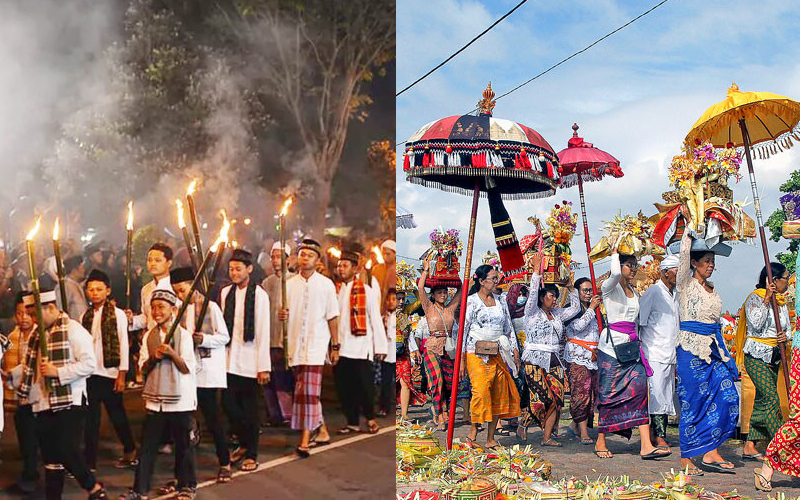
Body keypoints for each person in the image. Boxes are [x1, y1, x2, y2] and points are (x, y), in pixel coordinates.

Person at [18, 290, 109, 499]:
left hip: (70, 401)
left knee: (67, 450)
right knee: (51, 459)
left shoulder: (74, 330)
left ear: (51, 308)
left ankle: (93, 487)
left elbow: (89, 364)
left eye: (34, 315)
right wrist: (11, 376)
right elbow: (30, 366)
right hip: (43, 401)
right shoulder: (37, 335)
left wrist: (58, 372)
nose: (32, 320)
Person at [594, 236, 669, 461]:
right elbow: (615, 275)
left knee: (640, 390)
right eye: (629, 265)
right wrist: (614, 252)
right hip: (611, 349)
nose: (634, 269)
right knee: (608, 394)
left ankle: (646, 445)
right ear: (619, 265)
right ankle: (600, 441)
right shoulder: (609, 288)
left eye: (635, 265)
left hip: (632, 348)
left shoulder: (635, 293)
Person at [674, 219, 739, 474]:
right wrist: (691, 226)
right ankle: (687, 458)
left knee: (728, 396)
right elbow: (683, 255)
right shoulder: (685, 284)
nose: (711, 265)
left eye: (713, 261)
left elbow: (716, 325)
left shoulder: (713, 289)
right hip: (690, 350)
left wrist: (727, 356)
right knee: (693, 402)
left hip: (713, 350)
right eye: (706, 261)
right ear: (694, 263)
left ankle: (711, 450)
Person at [119, 289, 197, 500]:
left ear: (173, 310)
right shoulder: (148, 337)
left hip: (180, 400)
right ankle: (139, 489)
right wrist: (154, 357)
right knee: (147, 447)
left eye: (161, 307)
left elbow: (187, 368)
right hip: (155, 400)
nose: (156, 312)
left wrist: (172, 354)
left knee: (184, 445)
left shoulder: (184, 336)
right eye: (153, 308)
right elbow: (143, 367)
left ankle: (187, 486)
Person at [171, 266, 232, 483]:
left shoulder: (210, 307)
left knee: (212, 419)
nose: (180, 295)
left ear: (193, 286)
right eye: (176, 291)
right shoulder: (177, 310)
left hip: (206, 371)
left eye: (182, 290)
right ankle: (183, 473)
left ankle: (225, 462)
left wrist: (204, 340)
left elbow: (224, 337)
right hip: (187, 371)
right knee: (184, 421)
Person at [280, 239, 339, 457]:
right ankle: (322, 430)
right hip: (295, 346)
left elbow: (333, 316)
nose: (305, 258)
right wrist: (282, 315)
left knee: (308, 392)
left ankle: (305, 439)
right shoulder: (288, 284)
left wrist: (335, 345)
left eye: (310, 255)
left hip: (315, 346)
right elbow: (284, 314)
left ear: (317, 260)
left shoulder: (326, 285)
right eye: (302, 254)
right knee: (305, 391)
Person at [517, 260, 579, 446]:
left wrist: (571, 288)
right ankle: (523, 422)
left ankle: (547, 437)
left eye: (556, 296)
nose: (554, 299)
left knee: (557, 399)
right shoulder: (532, 312)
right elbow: (532, 293)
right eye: (551, 295)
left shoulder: (558, 314)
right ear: (542, 297)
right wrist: (537, 273)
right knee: (544, 398)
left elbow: (575, 308)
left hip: (554, 361)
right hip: (534, 361)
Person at [220, 248, 271, 471]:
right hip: (229, 359)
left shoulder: (259, 295)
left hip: (251, 361)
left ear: (249, 269)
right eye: (231, 269)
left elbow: (263, 331)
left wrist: (263, 367)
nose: (234, 273)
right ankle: (243, 442)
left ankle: (251, 453)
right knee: (228, 404)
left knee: (250, 409)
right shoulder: (225, 293)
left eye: (238, 269)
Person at [81, 269, 137, 470]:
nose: (94, 293)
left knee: (117, 415)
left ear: (108, 291)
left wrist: (122, 374)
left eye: (99, 289)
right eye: (91, 289)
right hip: (90, 373)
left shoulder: (118, 314)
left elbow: (123, 343)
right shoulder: (85, 316)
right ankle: (89, 462)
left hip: (110, 372)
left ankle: (130, 449)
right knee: (91, 419)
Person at [462, 264, 520, 449]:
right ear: (481, 281)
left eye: (497, 278)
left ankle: (490, 438)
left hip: (498, 352)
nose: (497, 281)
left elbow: (508, 327)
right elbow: (463, 330)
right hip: (475, 352)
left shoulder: (501, 301)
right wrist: (462, 359)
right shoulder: (471, 301)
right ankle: (473, 430)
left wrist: (515, 350)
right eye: (494, 278)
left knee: (498, 393)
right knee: (480, 391)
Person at [738, 262, 790, 461]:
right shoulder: (755, 298)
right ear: (774, 280)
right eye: (785, 278)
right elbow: (756, 324)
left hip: (774, 356)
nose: (787, 282)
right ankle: (782, 446)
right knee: (771, 399)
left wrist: (785, 336)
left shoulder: (782, 302)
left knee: (761, 401)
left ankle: (750, 445)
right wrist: (767, 299)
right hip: (756, 355)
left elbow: (787, 328)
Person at [334, 247, 387, 435]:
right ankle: (352, 422)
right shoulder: (336, 291)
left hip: (361, 348)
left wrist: (381, 346)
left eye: (345, 265)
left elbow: (375, 319)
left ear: (355, 268)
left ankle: (370, 419)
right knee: (344, 388)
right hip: (341, 348)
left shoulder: (367, 291)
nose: (341, 269)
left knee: (365, 387)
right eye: (339, 265)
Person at [413, 254, 463, 430]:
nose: (443, 295)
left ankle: (443, 409)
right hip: (432, 347)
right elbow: (420, 287)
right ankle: (439, 413)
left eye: (445, 292)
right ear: (433, 295)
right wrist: (426, 270)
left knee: (449, 382)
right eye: (439, 292)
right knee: (437, 380)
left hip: (448, 348)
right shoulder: (428, 308)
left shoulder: (450, 309)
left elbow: (461, 290)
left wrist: (454, 271)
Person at [638, 255, 680, 450]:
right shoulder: (654, 291)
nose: (679, 274)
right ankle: (657, 436)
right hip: (653, 351)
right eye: (677, 270)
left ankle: (659, 434)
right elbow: (641, 320)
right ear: (665, 272)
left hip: (670, 352)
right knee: (656, 395)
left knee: (666, 394)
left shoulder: (676, 293)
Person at [2, 293, 40, 494]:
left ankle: (32, 477)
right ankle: (29, 474)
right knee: (25, 438)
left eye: (27, 313)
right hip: (20, 397)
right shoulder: (12, 337)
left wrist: (12, 374)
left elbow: (31, 365)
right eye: (19, 313)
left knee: (34, 439)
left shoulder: (40, 335)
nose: (23, 318)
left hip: (38, 397)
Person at [563, 277, 603, 445]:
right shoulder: (571, 310)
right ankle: (584, 433)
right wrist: (591, 308)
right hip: (577, 356)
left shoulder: (596, 310)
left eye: (590, 290)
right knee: (581, 393)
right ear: (577, 292)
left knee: (593, 393)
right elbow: (578, 327)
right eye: (585, 290)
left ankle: (575, 426)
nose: (588, 294)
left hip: (594, 356)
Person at [260, 241, 295, 427]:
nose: (274, 260)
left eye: (278, 257)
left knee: (284, 379)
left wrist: (290, 314)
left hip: (285, 339)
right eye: (272, 257)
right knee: (270, 379)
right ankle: (274, 414)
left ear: (288, 260)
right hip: (270, 337)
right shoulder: (267, 282)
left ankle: (288, 414)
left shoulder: (295, 281)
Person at [126, 243, 174, 333]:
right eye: (149, 260)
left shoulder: (175, 287)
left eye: (157, 260)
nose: (153, 264)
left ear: (169, 263)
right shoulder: (146, 289)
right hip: (151, 337)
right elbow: (147, 317)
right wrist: (132, 320)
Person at [378, 288, 399, 417]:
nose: (391, 302)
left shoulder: (400, 318)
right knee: (385, 382)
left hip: (397, 354)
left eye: (394, 299)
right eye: (389, 299)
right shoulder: (382, 318)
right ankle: (384, 407)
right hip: (386, 355)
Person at [64, 255, 89, 320]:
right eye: (82, 267)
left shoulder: (77, 284)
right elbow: (62, 309)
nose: (84, 270)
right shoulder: (64, 286)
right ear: (74, 270)